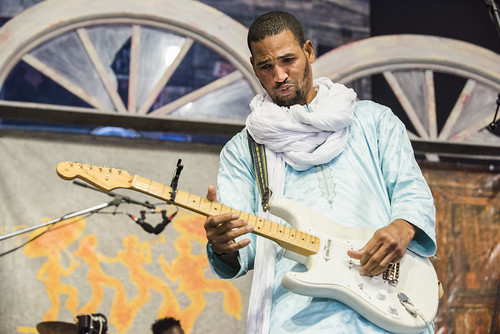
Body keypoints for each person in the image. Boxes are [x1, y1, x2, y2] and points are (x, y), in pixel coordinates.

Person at [204, 11, 437, 334]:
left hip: (387, 308)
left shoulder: (373, 121)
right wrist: (222, 246)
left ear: (309, 52)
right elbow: (245, 246)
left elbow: (411, 191)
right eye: (266, 66)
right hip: (296, 319)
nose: (280, 75)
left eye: (288, 60)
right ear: (254, 67)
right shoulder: (244, 149)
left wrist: (403, 226)